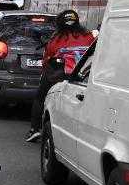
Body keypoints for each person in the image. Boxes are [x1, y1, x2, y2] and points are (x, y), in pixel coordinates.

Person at [25, 9, 95, 143]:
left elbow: (46, 60)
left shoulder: (55, 40)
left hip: (58, 76)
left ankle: (34, 129)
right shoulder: (89, 37)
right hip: (84, 77)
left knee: (40, 97)